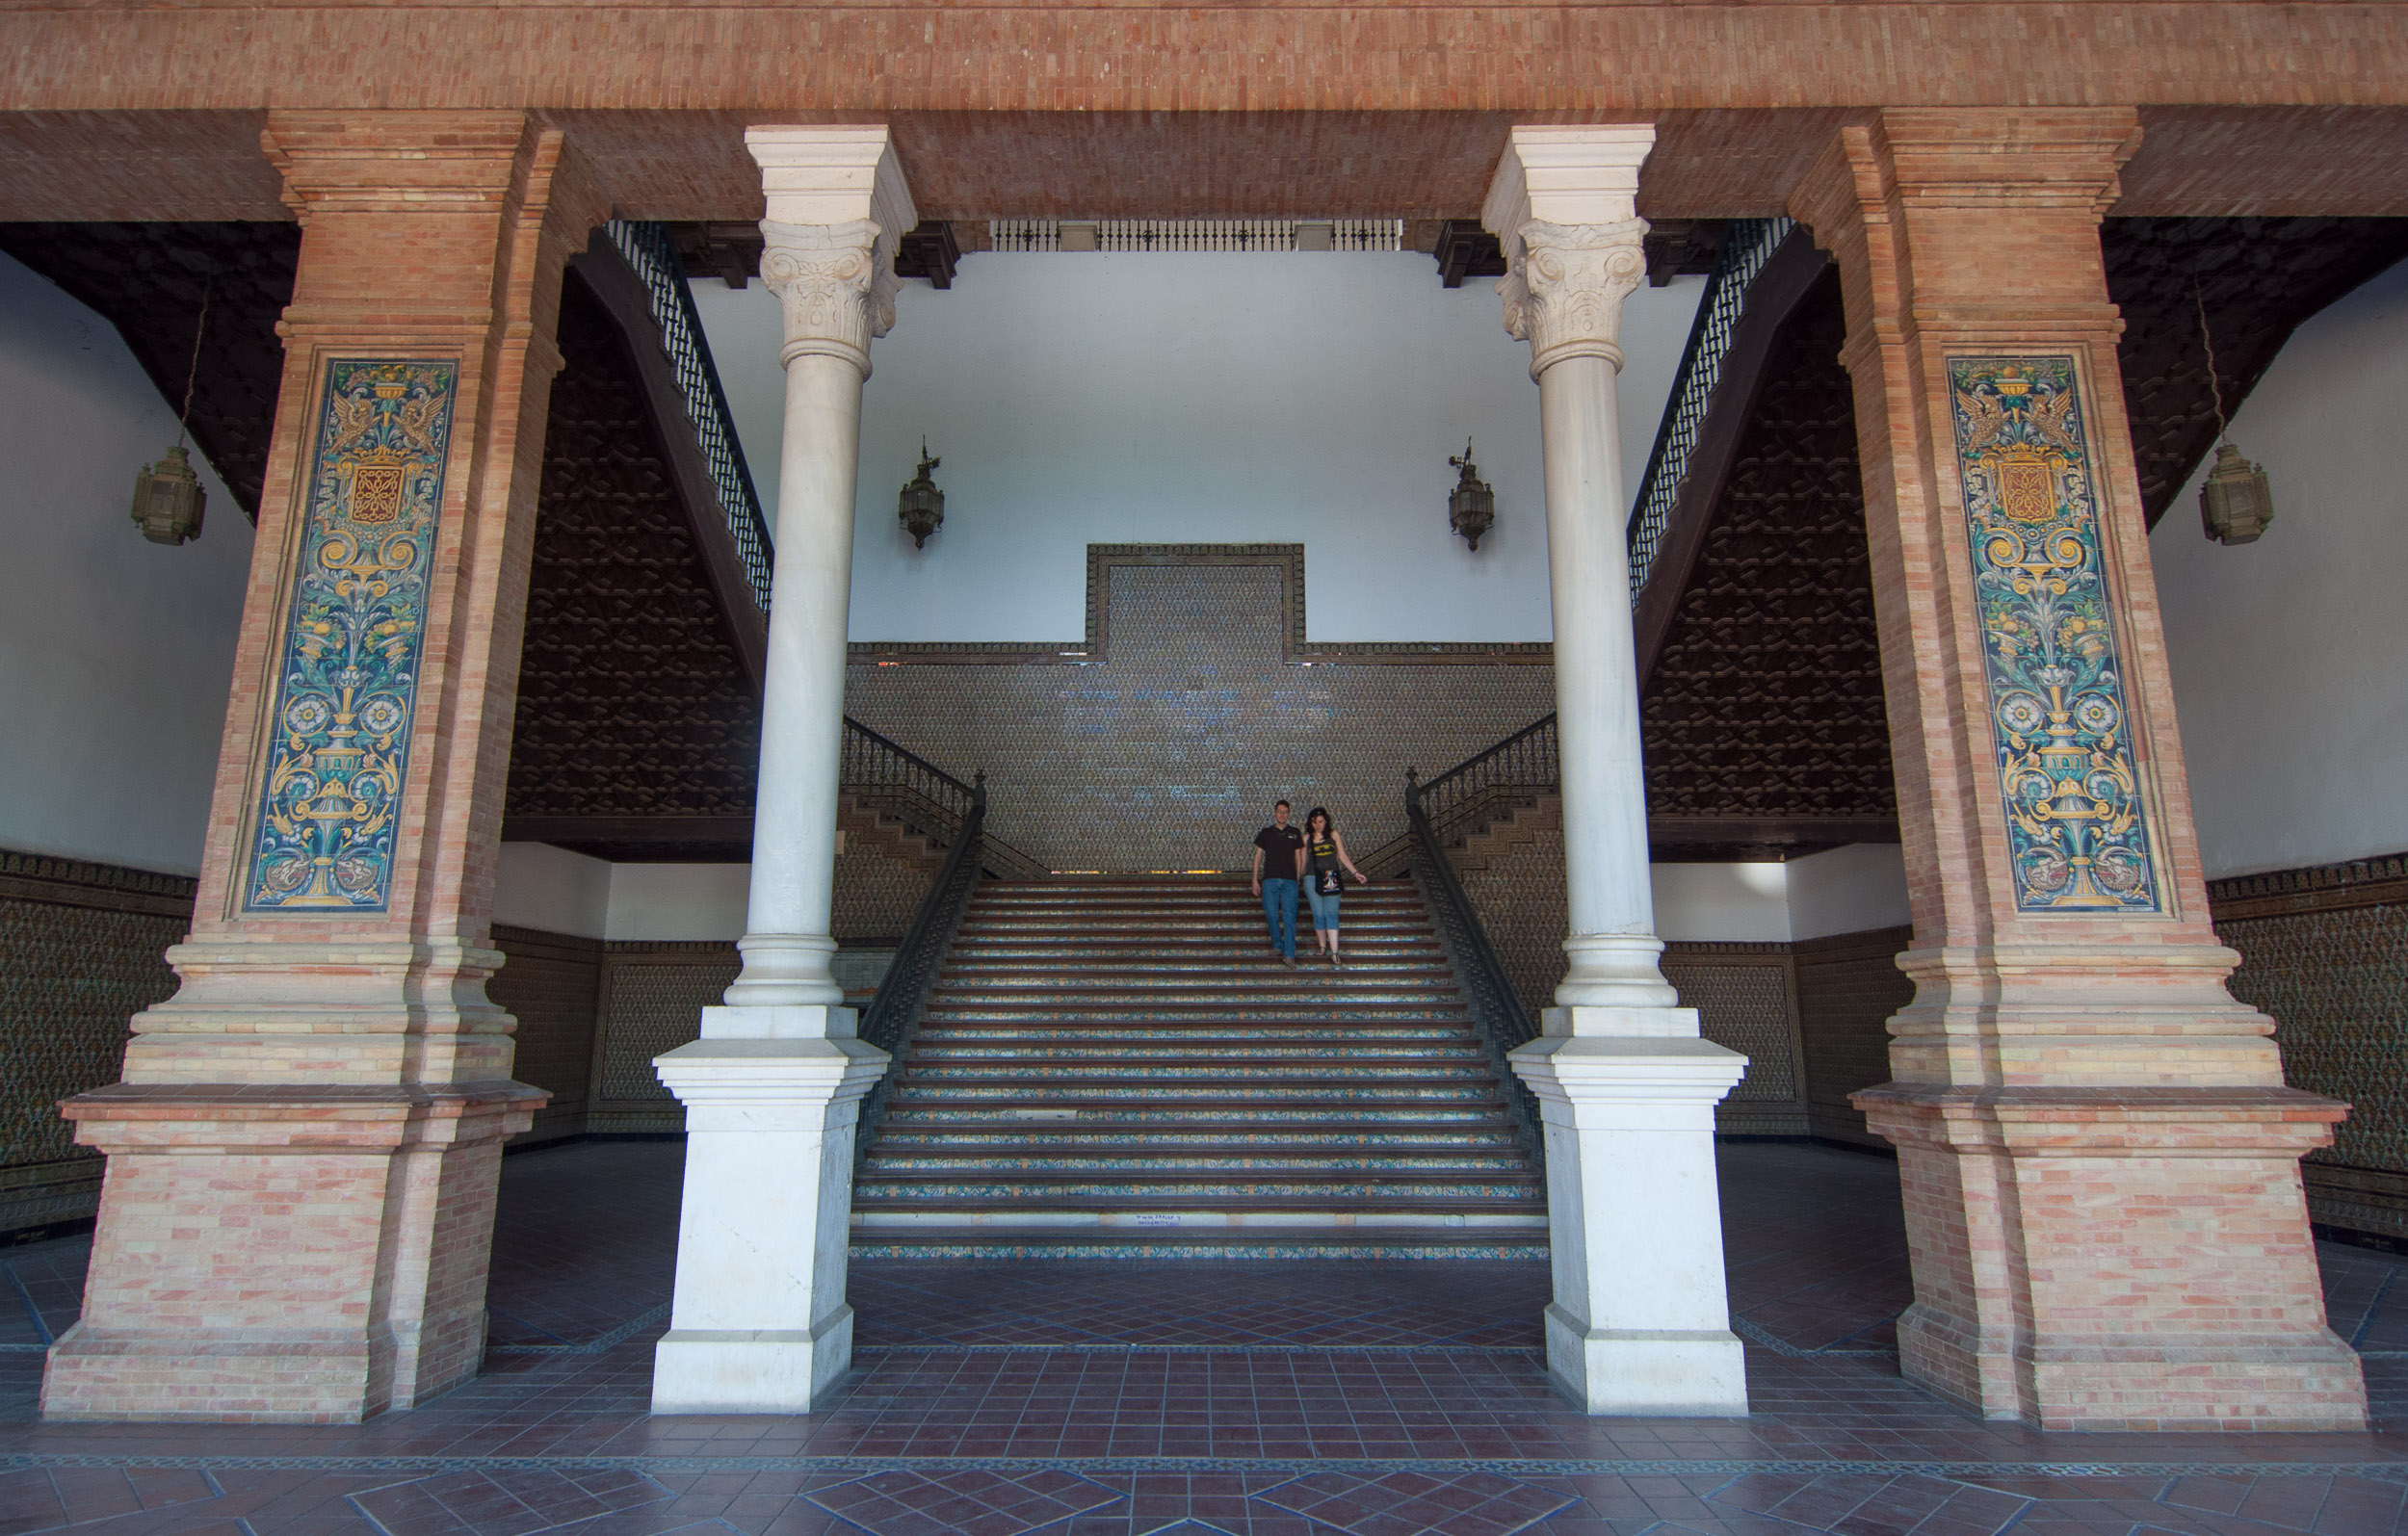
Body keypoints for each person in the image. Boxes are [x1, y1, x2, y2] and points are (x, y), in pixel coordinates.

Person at [1298, 806, 1369, 967]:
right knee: (1318, 914)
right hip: (1312, 878)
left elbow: (1342, 856)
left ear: (1326, 821)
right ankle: (1322, 947)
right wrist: (1295, 878)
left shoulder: (1333, 834)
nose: (1318, 825)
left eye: (1320, 821)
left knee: (1331, 913)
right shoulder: (1306, 838)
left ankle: (1335, 952)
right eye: (1314, 822)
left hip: (1331, 878)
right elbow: (1302, 862)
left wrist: (1355, 873)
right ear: (1310, 823)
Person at [1251, 799, 1305, 967]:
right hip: (1270, 880)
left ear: (1288, 814)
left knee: (1289, 917)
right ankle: (1277, 944)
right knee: (1271, 915)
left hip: (1289, 880)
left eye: (1285, 812)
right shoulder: (1266, 833)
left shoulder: (1295, 832)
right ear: (1275, 813)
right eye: (1279, 811)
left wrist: (1297, 878)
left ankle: (1289, 954)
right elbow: (1258, 857)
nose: (1282, 814)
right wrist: (1254, 880)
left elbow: (1298, 856)